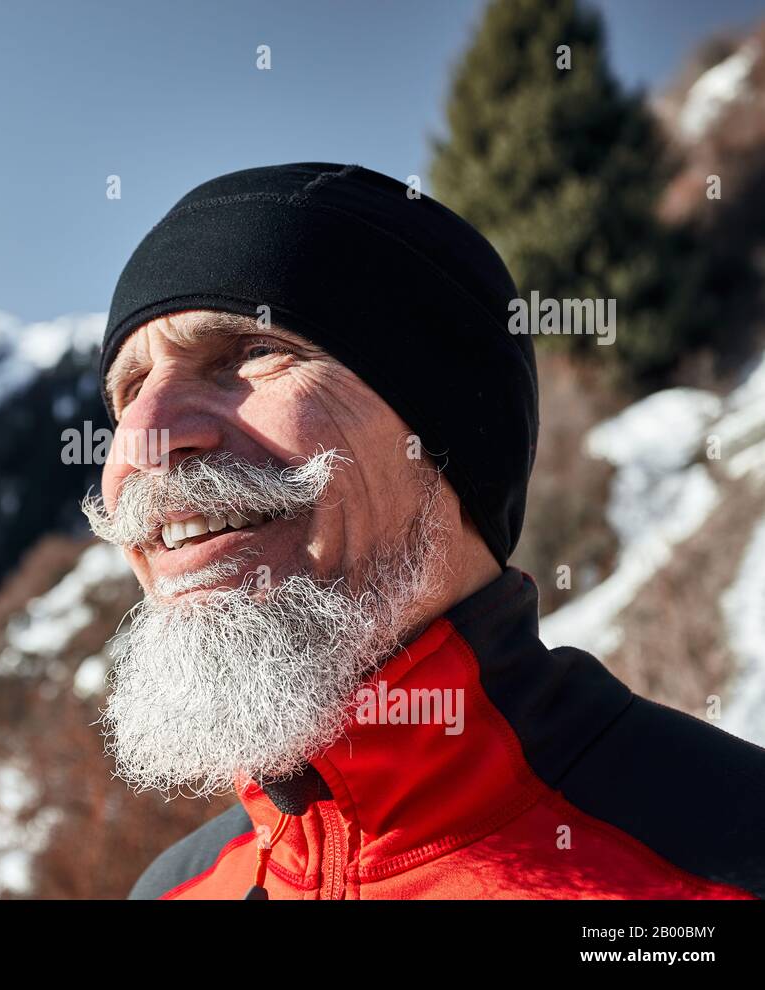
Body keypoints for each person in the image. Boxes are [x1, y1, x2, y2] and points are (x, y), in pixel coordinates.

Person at [81, 162, 765, 900]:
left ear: (445, 437)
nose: (142, 441)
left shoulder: (725, 856)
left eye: (251, 353)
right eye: (128, 392)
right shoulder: (171, 890)